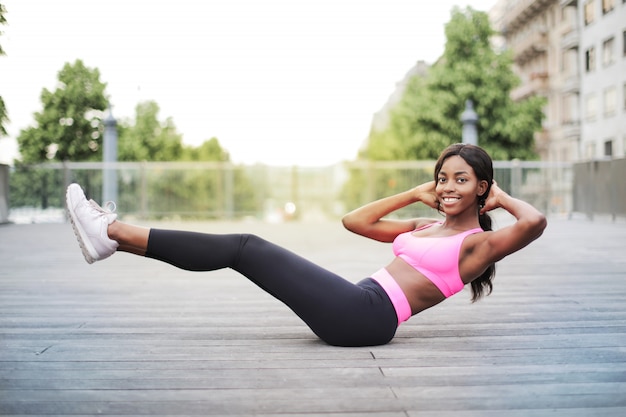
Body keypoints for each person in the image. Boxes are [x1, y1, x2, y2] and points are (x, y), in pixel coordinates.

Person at [66, 143, 546, 347]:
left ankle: (112, 232)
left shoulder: (475, 245)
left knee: (245, 248)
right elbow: (353, 221)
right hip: (361, 302)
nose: (447, 187)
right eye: (442, 178)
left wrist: (498, 197)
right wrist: (415, 193)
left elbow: (535, 222)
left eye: (461, 180)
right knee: (246, 251)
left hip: (368, 316)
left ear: (481, 186)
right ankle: (112, 241)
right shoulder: (426, 227)